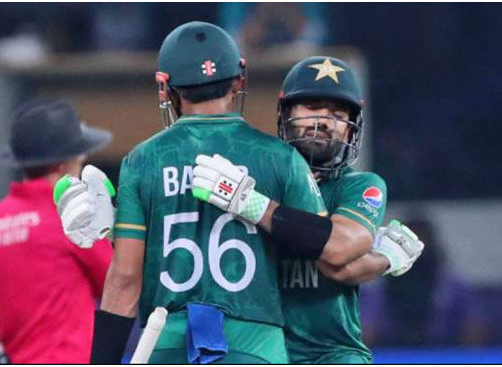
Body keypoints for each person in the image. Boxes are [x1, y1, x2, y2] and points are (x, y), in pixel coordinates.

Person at [55, 21, 326, 364]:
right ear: (239, 80)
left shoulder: (142, 160)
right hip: (256, 345)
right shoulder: (281, 157)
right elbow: (322, 243)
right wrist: (258, 206)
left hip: (166, 341)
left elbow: (125, 279)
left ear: (165, 86)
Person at [192, 56, 424, 363]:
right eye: (312, 108)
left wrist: (248, 203)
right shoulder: (249, 175)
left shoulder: (360, 186)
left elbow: (338, 253)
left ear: (351, 129)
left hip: (333, 354)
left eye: (338, 114)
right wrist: (386, 258)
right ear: (285, 113)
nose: (325, 122)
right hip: (255, 352)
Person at [0, 99, 113, 363]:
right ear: (62, 165)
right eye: (79, 155)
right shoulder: (72, 211)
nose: (82, 160)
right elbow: (115, 282)